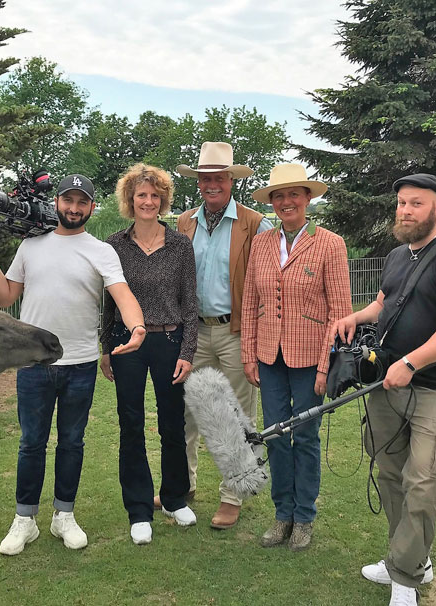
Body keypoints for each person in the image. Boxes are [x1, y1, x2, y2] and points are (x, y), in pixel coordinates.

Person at [331, 174, 436, 606]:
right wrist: (356, 318)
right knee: (392, 476)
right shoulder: (398, 254)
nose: (405, 210)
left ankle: (404, 578)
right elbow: (384, 303)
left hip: (434, 388)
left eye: (416, 203)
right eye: (401, 203)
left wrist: (413, 361)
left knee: (425, 480)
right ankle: (411, 559)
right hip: (385, 384)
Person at [0, 173, 146, 555]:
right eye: (68, 200)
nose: (74, 207)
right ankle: (25, 520)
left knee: (71, 442)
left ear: (91, 207)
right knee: (31, 443)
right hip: (33, 362)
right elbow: (4, 297)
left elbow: (123, 294)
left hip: (81, 364)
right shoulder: (31, 246)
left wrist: (137, 326)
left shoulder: (101, 250)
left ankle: (63, 515)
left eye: (81, 202)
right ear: (57, 202)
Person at [240, 164, 352, 551]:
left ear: (307, 198)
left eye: (293, 195)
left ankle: (304, 517)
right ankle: (281, 514)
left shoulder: (330, 244)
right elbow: (251, 300)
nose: (286, 202)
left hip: (309, 360)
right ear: (271, 203)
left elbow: (340, 312)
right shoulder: (263, 242)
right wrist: (249, 353)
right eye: (278, 196)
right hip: (269, 356)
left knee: (304, 436)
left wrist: (326, 365)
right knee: (274, 435)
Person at [172, 141, 273, 529]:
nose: (211, 184)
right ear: (198, 183)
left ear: (231, 181)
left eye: (219, 178)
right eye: (205, 179)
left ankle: (233, 494)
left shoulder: (255, 223)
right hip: (192, 332)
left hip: (235, 331)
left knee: (237, 414)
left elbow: (267, 282)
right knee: (186, 413)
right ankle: (183, 484)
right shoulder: (185, 222)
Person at [99, 164, 199, 545]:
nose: (148, 201)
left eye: (155, 195)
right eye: (141, 194)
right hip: (127, 344)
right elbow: (107, 303)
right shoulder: (114, 245)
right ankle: (139, 509)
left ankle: (173, 498)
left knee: (173, 424)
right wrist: (106, 347)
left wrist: (187, 351)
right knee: (131, 424)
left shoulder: (180, 246)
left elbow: (190, 305)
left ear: (163, 201)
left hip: (170, 342)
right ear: (130, 199)